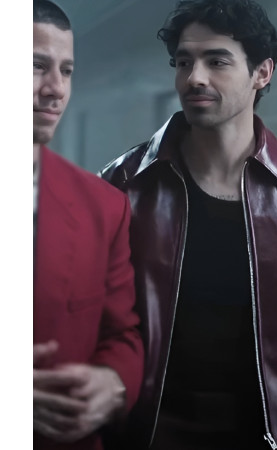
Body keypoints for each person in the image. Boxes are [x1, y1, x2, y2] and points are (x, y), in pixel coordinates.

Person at [100, 0, 277, 449]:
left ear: (262, 72)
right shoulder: (125, 183)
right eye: (184, 62)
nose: (194, 77)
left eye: (216, 61)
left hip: (270, 438)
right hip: (150, 434)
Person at [33, 2, 144, 449]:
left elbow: (123, 335)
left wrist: (112, 382)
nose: (56, 89)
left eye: (67, 70)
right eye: (36, 66)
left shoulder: (104, 205)